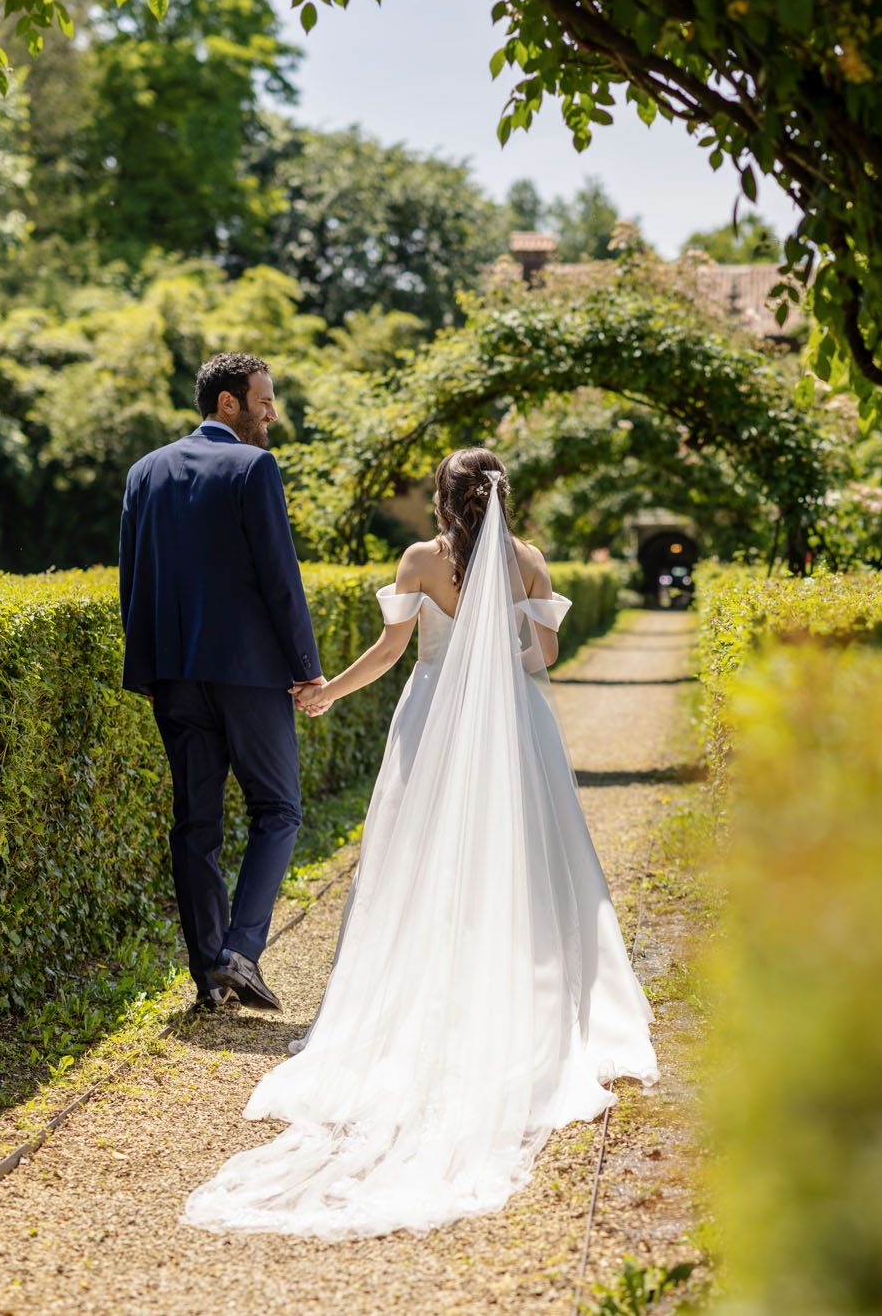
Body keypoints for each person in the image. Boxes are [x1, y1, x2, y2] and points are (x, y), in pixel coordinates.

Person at [181, 446, 659, 1241]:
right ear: (504, 496)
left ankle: (427, 989)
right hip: (515, 729)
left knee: (418, 868)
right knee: (523, 865)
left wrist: (327, 688)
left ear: (443, 499)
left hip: (431, 723)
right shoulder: (530, 561)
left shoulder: (418, 560)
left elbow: (393, 652)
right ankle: (519, 995)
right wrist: (500, 648)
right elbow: (543, 657)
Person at [118, 352, 327, 1014]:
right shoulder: (254, 467)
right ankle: (241, 949)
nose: (272, 413)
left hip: (174, 677)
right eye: (263, 401)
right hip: (250, 676)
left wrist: (146, 670)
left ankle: (210, 976)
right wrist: (307, 668)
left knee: (196, 825)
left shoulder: (143, 472)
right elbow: (279, 576)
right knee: (278, 809)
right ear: (228, 403)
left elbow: (133, 580)